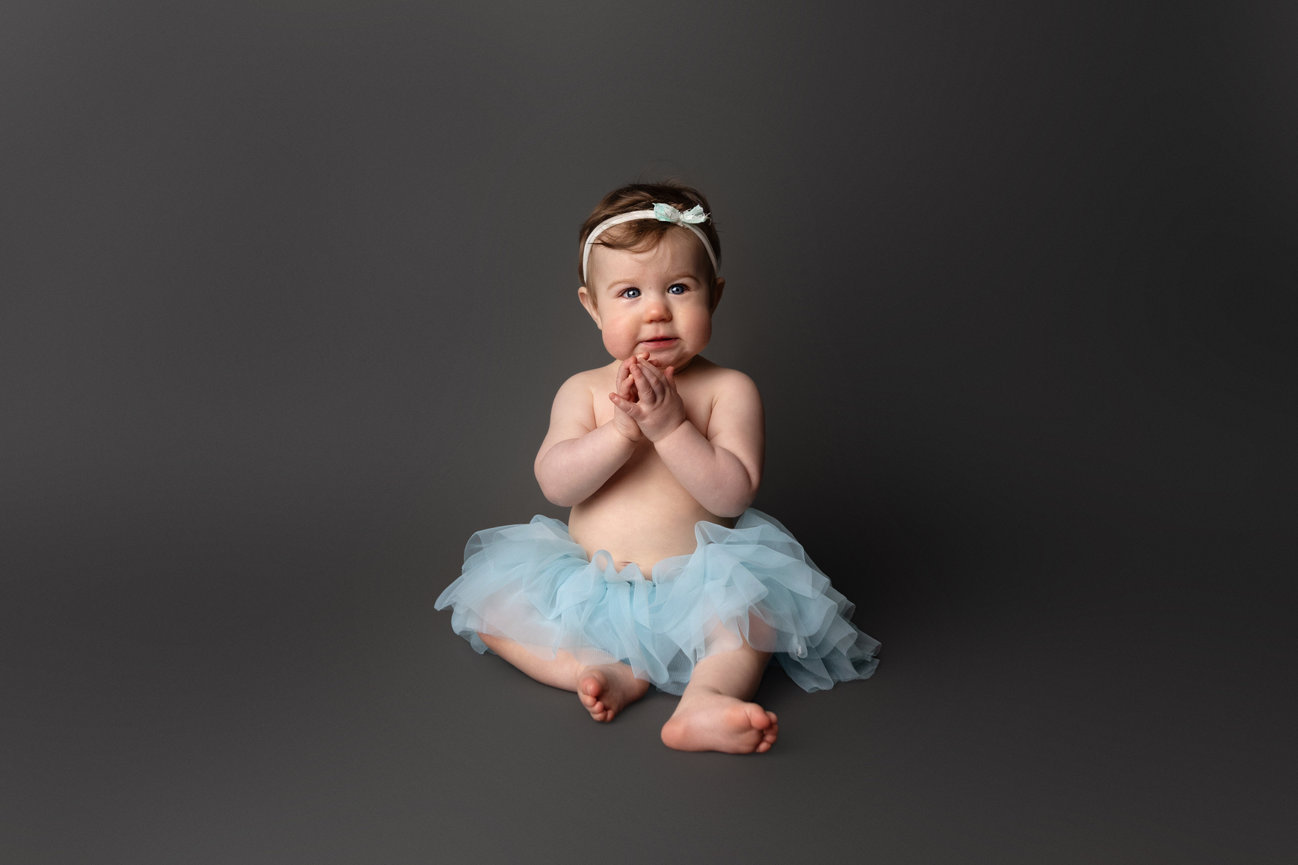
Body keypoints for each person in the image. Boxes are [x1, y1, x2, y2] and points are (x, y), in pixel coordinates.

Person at [435, 181, 879, 754]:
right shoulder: (586, 392)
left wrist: (670, 427)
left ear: (713, 296)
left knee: (756, 613)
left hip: (698, 586)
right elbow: (555, 482)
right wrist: (622, 431)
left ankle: (706, 698)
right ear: (591, 306)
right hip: (588, 586)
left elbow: (731, 496)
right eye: (627, 293)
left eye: (677, 287)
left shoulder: (728, 390)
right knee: (491, 604)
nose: (656, 311)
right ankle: (591, 669)